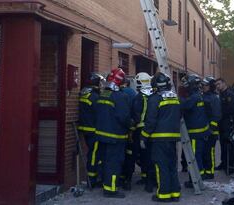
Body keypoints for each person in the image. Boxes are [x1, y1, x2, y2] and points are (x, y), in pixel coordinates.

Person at [141, 72, 181, 202]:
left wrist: (144, 136)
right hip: (173, 138)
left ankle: (163, 194)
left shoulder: (154, 98)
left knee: (161, 165)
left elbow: (151, 120)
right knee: (171, 165)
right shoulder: (175, 97)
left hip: (159, 139)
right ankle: (175, 193)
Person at [94, 68, 132, 198]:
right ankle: (111, 189)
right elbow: (123, 117)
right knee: (114, 163)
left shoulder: (103, 94)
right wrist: (131, 124)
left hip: (101, 135)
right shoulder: (121, 96)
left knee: (104, 161)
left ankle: (105, 183)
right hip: (115, 137)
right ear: (121, 82)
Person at [180, 74, 210, 187]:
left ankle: (195, 181)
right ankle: (198, 178)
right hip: (200, 133)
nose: (185, 86)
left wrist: (176, 98)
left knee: (194, 158)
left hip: (195, 134)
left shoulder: (194, 97)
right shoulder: (198, 95)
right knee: (197, 156)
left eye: (187, 84)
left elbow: (185, 105)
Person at [77, 72, 105, 187]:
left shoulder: (84, 94)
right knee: (94, 154)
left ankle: (92, 177)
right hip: (94, 130)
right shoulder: (95, 97)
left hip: (85, 129)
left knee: (93, 153)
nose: (101, 85)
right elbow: (100, 113)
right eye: (100, 82)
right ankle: (92, 179)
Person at [215, 78, 234, 174]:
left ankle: (231, 167)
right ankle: (224, 164)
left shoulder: (229, 94)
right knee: (223, 144)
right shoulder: (221, 94)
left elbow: (231, 109)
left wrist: (220, 114)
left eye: (219, 84)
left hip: (228, 123)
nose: (218, 86)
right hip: (221, 123)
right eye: (216, 85)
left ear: (224, 83)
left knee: (229, 145)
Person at [201, 76, 222, 180]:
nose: (203, 86)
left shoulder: (214, 98)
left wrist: (211, 129)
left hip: (211, 131)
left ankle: (210, 172)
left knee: (209, 151)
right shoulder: (203, 96)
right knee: (204, 151)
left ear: (211, 87)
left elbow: (217, 115)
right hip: (203, 129)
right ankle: (205, 170)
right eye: (203, 85)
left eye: (205, 85)